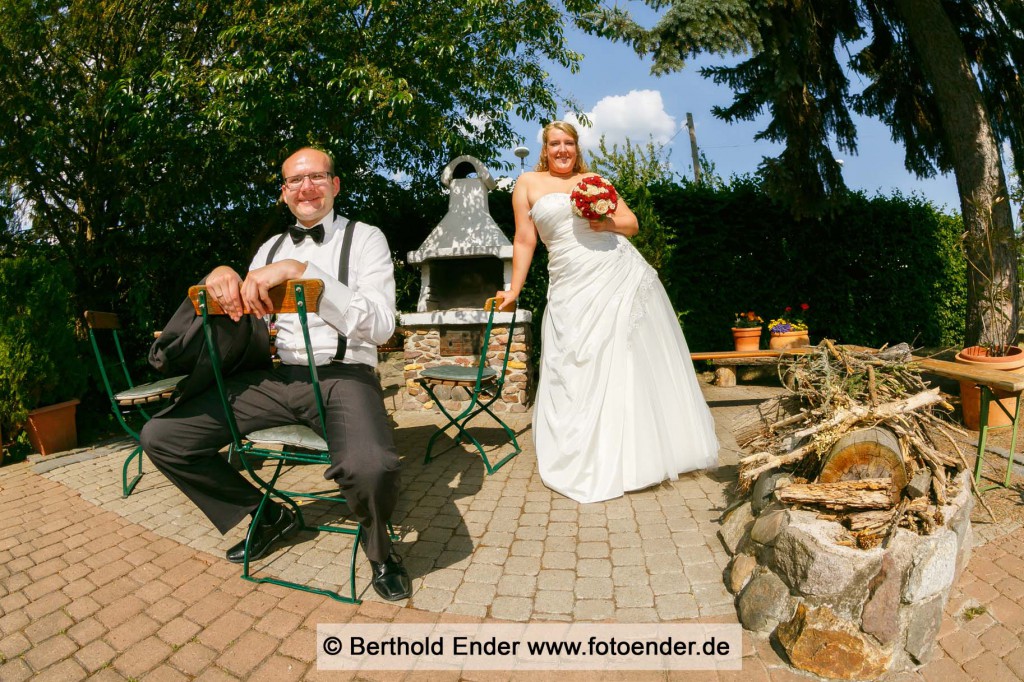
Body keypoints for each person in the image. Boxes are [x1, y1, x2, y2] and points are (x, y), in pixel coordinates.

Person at [140, 147, 411, 601]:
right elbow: (245, 318)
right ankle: (266, 515)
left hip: (344, 376)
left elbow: (383, 326)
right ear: (284, 194)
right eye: (295, 181)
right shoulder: (268, 248)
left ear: (335, 185)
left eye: (317, 177)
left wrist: (304, 273)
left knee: (372, 467)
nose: (306, 187)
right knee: (163, 437)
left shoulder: (367, 239)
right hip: (277, 377)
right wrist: (221, 275)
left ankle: (381, 552)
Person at [496, 121, 719, 504]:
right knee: (573, 362)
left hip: (614, 274)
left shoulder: (594, 179)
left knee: (620, 360)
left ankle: (633, 456)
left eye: (568, 143)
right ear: (545, 149)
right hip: (568, 283)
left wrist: (606, 221)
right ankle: (582, 450)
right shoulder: (527, 184)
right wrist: (514, 289)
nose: (562, 149)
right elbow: (523, 239)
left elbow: (631, 224)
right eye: (554, 144)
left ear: (576, 147)